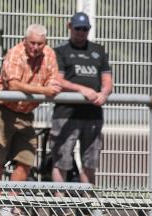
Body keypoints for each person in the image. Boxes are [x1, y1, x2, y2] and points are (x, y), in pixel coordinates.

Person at [0, 24, 59, 185]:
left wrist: (49, 88)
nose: (36, 47)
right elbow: (14, 85)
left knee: (27, 158)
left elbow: (53, 82)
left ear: (45, 43)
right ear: (24, 41)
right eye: (32, 43)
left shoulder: (50, 54)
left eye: (40, 44)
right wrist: (44, 90)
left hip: (25, 112)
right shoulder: (15, 53)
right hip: (1, 109)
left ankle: (10, 205)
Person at [50, 13, 112, 186]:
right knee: (61, 161)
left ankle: (87, 205)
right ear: (70, 27)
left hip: (92, 115)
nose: (81, 32)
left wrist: (104, 94)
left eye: (85, 29)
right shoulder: (61, 51)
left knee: (89, 163)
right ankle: (59, 206)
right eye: (78, 28)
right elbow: (58, 80)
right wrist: (82, 90)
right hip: (65, 114)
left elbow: (107, 81)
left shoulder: (98, 51)